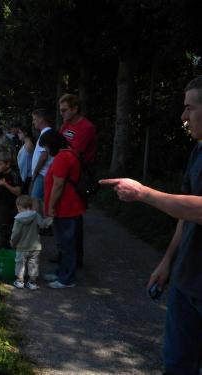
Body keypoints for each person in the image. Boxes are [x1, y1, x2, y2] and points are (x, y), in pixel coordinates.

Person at [100, 75, 202, 375]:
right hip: (186, 281)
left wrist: (143, 193)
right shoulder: (197, 151)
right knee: (176, 365)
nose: (183, 116)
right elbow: (187, 212)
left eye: (190, 108)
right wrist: (168, 261)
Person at [39, 130, 86, 288]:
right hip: (67, 206)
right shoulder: (69, 153)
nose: (46, 151)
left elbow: (58, 185)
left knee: (66, 244)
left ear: (52, 144)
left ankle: (67, 279)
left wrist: (51, 206)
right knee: (63, 244)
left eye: (46, 147)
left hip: (66, 208)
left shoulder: (62, 157)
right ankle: (61, 272)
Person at [58, 94, 97, 268]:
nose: (62, 113)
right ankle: (64, 253)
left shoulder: (86, 127)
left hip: (78, 176)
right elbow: (59, 145)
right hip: (63, 173)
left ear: (75, 108)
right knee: (61, 213)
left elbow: (75, 152)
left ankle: (75, 258)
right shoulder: (66, 125)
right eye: (60, 110)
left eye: (65, 110)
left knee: (74, 215)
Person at [11, 195, 53, 290]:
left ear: (19, 207)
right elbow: (42, 224)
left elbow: (15, 233)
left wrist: (12, 242)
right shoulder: (36, 215)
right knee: (33, 264)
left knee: (20, 264)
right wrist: (50, 219)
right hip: (35, 247)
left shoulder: (18, 219)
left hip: (22, 247)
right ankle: (32, 283)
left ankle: (20, 281)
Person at [30, 108, 54, 212]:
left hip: (42, 174)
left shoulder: (46, 134)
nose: (33, 122)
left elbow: (44, 156)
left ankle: (39, 226)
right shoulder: (45, 133)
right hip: (43, 173)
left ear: (41, 119)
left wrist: (35, 172)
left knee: (36, 201)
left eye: (35, 119)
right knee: (40, 201)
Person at [17, 125, 35, 194]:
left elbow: (27, 163)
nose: (18, 134)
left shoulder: (28, 145)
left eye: (20, 132)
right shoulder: (26, 144)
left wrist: (23, 178)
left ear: (25, 133)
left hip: (26, 177)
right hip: (24, 176)